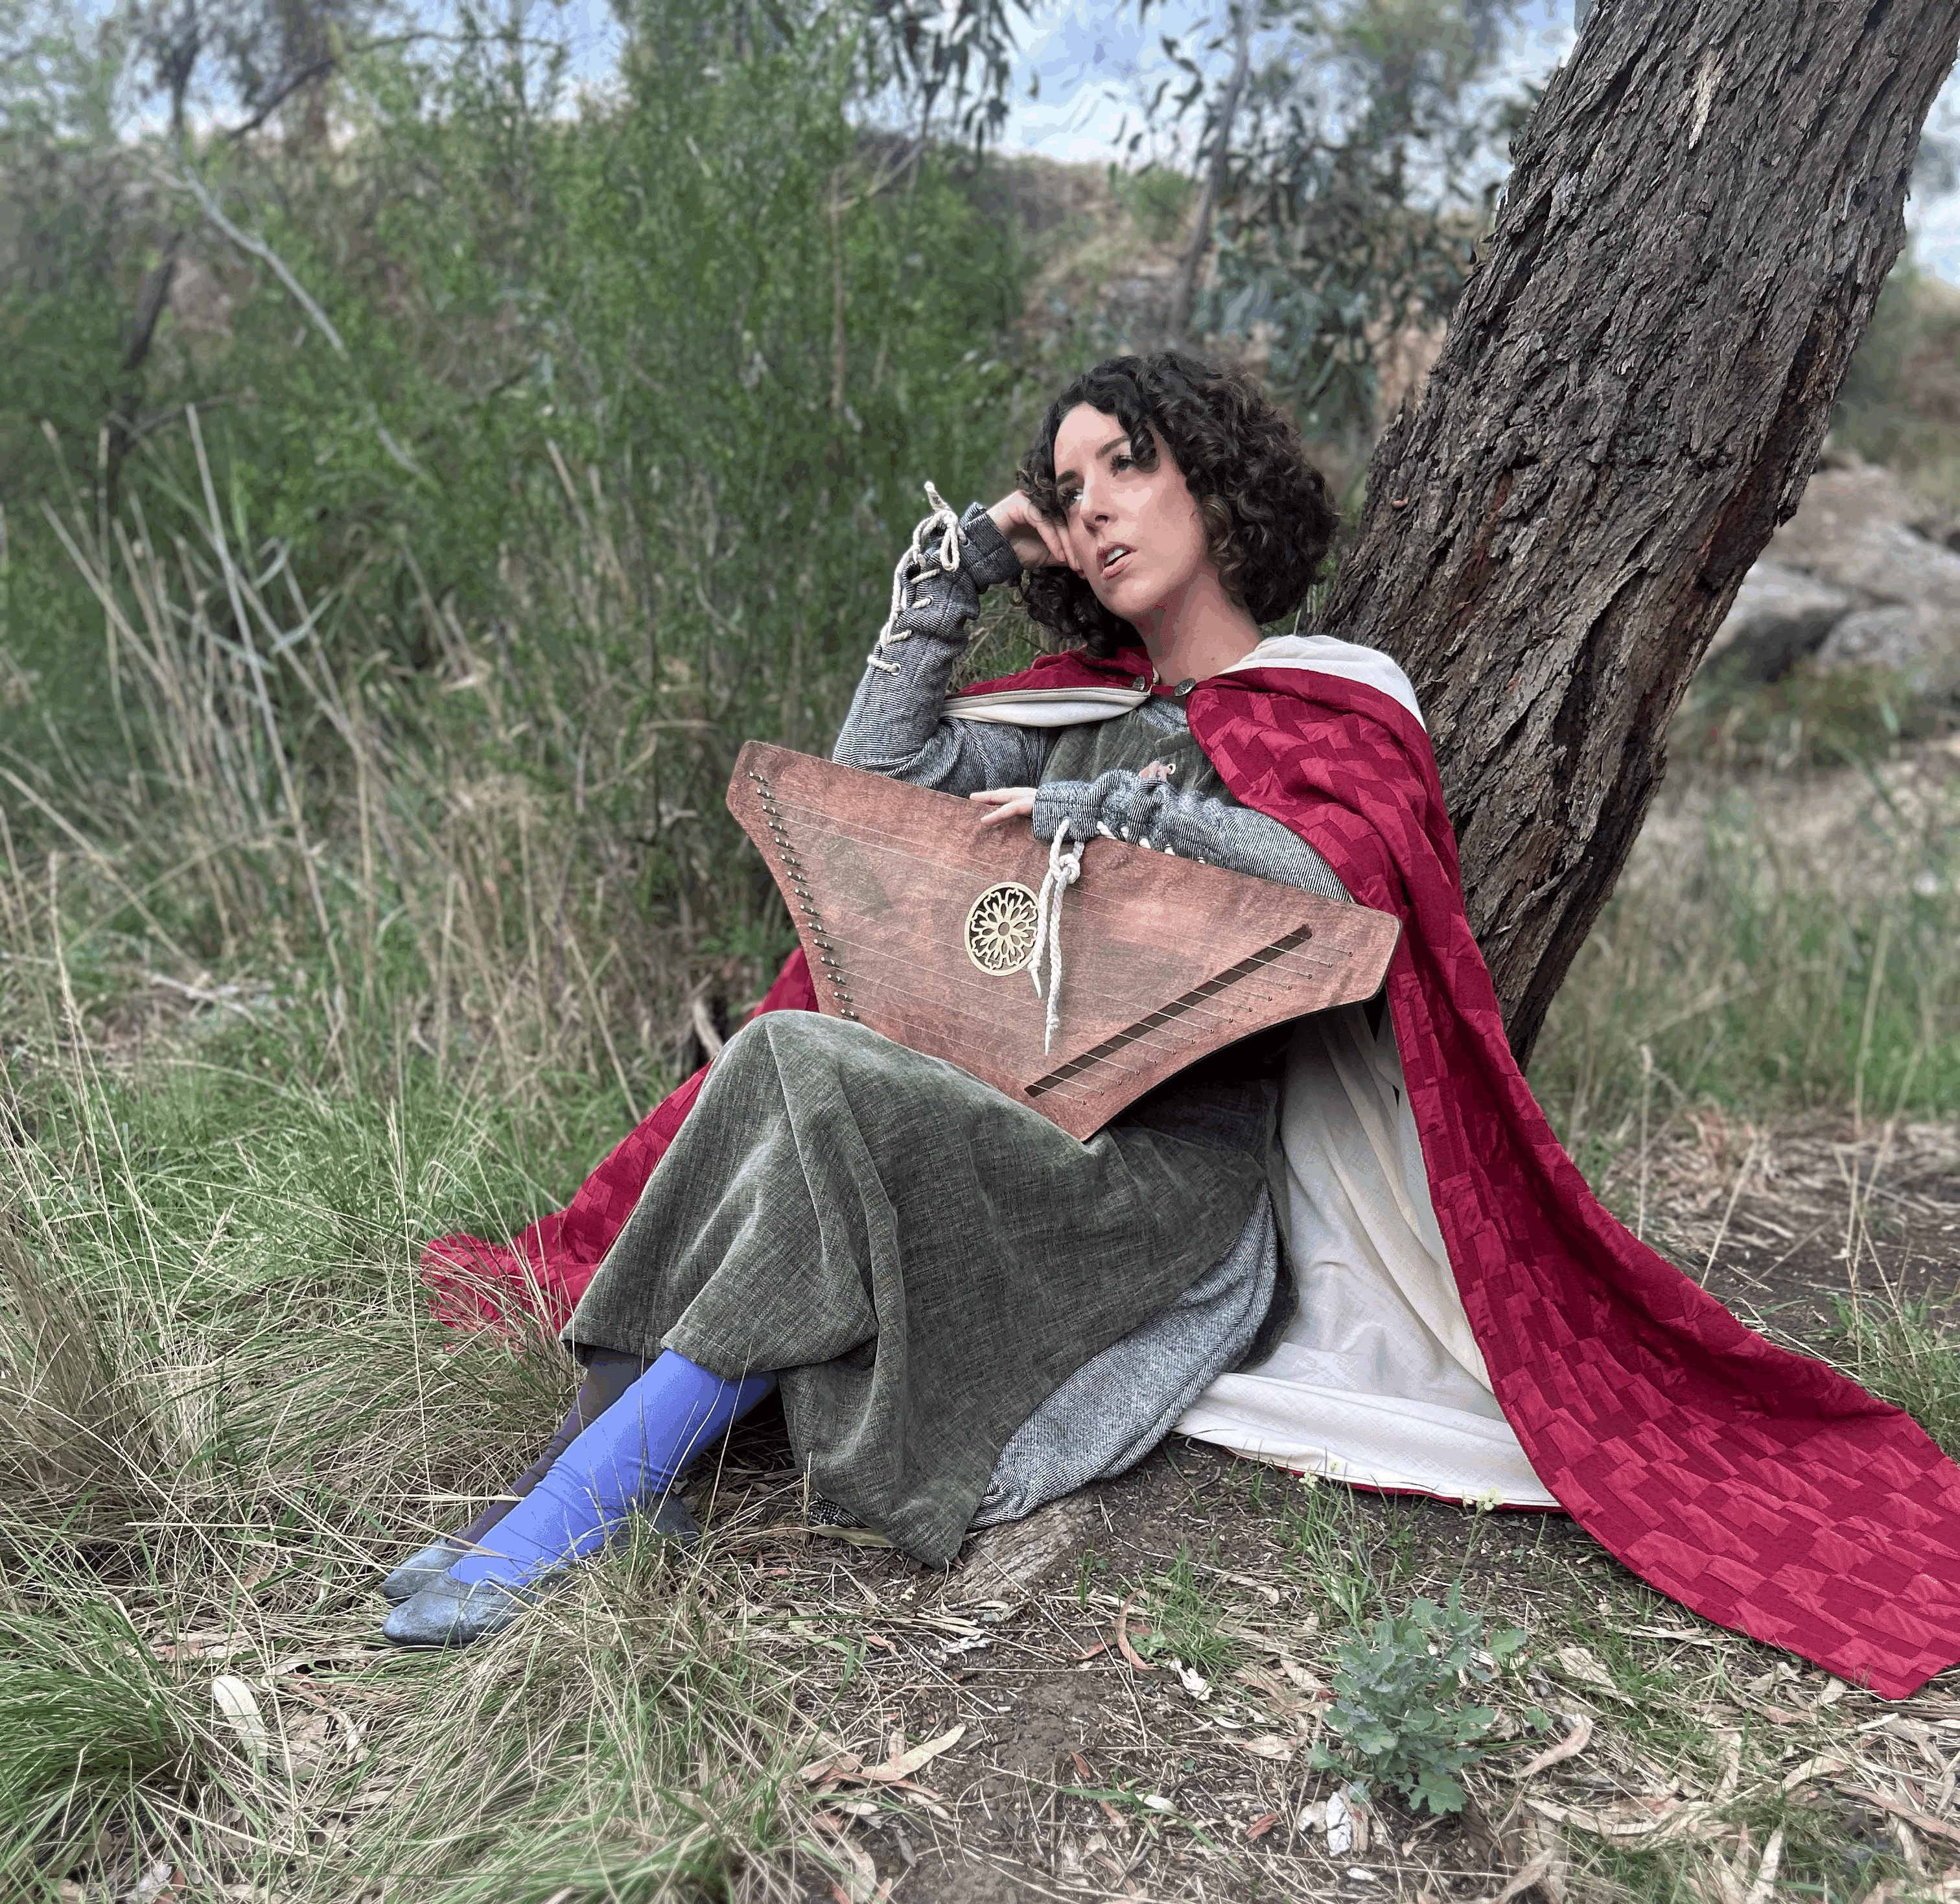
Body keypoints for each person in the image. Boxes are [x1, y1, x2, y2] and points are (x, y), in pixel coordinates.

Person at [397, 353, 1960, 1699]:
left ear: (1212, 478)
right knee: (781, 1054)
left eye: (1122, 466)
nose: (1091, 508)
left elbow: (1340, 899)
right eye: (1066, 490)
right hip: (1002, 1118)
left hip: (1159, 1187)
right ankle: (611, 1493)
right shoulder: (1075, 697)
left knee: (803, 1064)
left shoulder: (1332, 701)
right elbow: (869, 785)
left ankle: (578, 1510)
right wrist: (959, 581)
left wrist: (1107, 815)